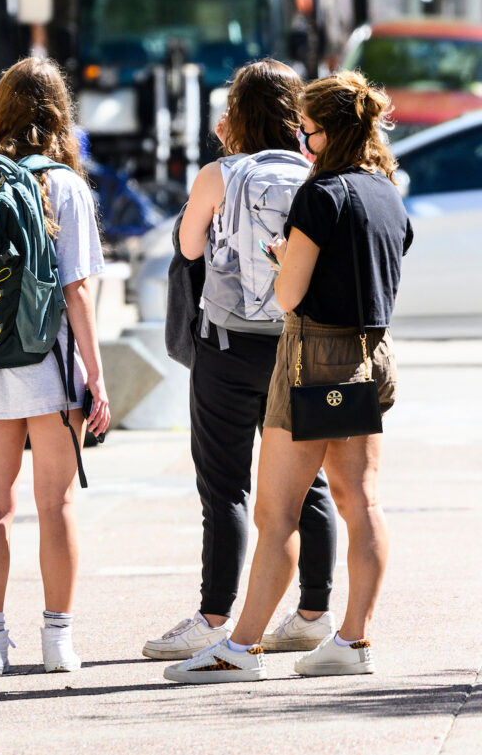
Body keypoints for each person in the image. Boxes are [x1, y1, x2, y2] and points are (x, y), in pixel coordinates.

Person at [167, 72, 412, 684]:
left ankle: (240, 648)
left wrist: (282, 261)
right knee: (360, 502)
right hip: (368, 354)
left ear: (323, 132)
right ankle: (352, 639)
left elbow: (288, 293)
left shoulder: (321, 193)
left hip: (313, 357)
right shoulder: (385, 192)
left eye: (307, 130)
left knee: (276, 511)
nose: (302, 140)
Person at [144, 59, 340, 662]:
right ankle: (312, 613)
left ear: (238, 114)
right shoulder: (319, 170)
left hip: (228, 348)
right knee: (309, 484)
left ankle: (213, 616)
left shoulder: (221, 173)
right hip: (301, 345)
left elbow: (188, 247)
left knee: (224, 484)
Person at [0, 58, 111, 677]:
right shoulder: (64, 186)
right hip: (49, 361)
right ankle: (57, 641)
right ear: (59, 114)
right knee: (57, 503)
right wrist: (95, 376)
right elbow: (77, 291)